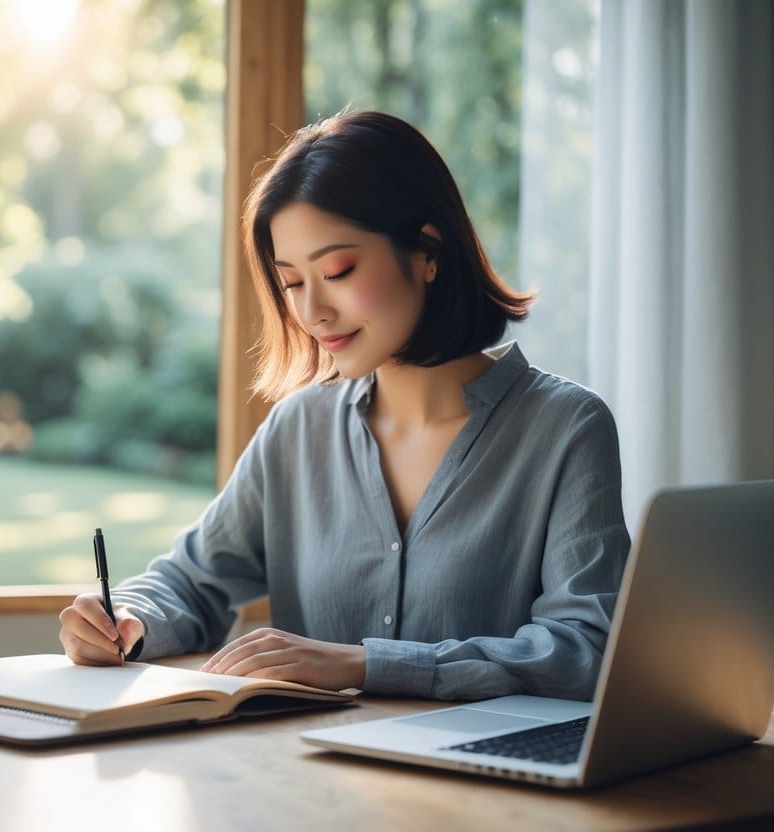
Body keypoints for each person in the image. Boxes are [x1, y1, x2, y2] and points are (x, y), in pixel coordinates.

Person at [58, 110, 630, 701]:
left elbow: (583, 649)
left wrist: (365, 664)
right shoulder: (297, 429)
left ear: (427, 251)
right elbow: (190, 581)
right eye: (293, 283)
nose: (312, 313)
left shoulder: (566, 429)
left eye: (338, 270)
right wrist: (127, 618)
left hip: (482, 784)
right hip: (310, 778)